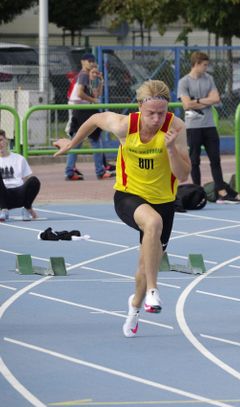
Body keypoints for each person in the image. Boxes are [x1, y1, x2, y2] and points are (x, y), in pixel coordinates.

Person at [54, 80, 191, 337]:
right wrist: (72, 144)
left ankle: (135, 307)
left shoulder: (176, 128)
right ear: (140, 108)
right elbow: (94, 118)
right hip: (129, 196)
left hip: (164, 202)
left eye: (161, 113)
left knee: (144, 266)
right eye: (151, 113)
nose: (156, 119)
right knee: (152, 223)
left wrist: (171, 148)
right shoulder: (124, 125)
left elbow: (183, 175)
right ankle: (154, 290)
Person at [177, 51, 240, 204]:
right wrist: (205, 101)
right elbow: (186, 104)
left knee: (215, 159)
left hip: (209, 125)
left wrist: (196, 100)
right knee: (194, 159)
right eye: (204, 65)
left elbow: (216, 99)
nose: (206, 67)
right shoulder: (184, 82)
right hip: (193, 126)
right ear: (196, 64)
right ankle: (197, 190)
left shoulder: (209, 79)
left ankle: (221, 190)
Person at [65, 53, 115, 181]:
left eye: (93, 61)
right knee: (95, 140)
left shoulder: (87, 76)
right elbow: (81, 94)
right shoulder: (82, 75)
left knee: (77, 142)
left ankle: (70, 170)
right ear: (83, 62)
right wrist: (92, 99)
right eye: (89, 61)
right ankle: (100, 170)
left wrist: (100, 81)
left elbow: (96, 94)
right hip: (82, 110)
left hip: (83, 110)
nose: (91, 63)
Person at [0, 129, 40, 221]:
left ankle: (27, 208)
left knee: (34, 180)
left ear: (6, 140)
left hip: (19, 194)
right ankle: (3, 210)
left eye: (1, 140)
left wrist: (30, 208)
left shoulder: (19, 159)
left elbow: (27, 182)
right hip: (2, 195)